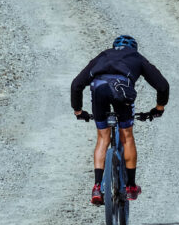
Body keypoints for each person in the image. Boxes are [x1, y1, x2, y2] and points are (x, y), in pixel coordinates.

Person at [70, 35, 169, 205]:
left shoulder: (103, 55)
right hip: (121, 90)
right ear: (134, 48)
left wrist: (78, 110)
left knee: (102, 138)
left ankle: (97, 187)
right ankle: (130, 186)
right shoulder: (136, 57)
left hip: (99, 89)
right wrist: (159, 108)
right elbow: (162, 85)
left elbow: (76, 84)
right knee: (126, 136)